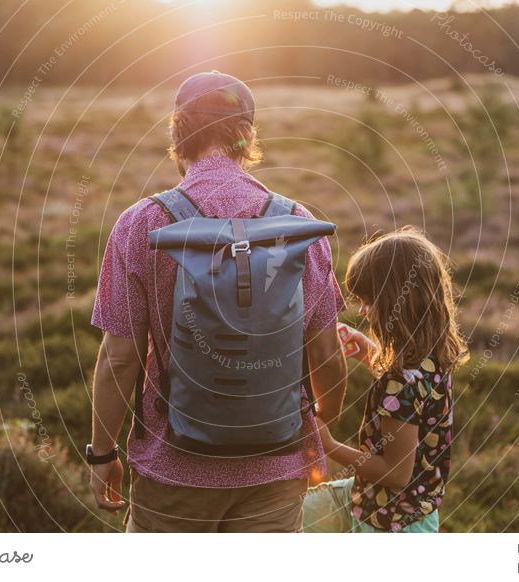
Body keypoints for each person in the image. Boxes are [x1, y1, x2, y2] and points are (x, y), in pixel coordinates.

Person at [86, 70, 348, 532]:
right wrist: (313, 425)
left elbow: (119, 359)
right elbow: (326, 354)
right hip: (276, 471)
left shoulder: (142, 224)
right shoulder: (299, 224)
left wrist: (102, 453)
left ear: (178, 134)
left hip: (173, 473)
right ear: (248, 137)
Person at [302, 227, 469, 533]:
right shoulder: (432, 358)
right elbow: (410, 394)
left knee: (285, 521)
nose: (362, 311)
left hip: (388, 522)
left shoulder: (399, 383)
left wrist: (328, 444)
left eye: (368, 301)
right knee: (300, 512)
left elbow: (394, 474)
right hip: (405, 507)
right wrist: (369, 351)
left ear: (397, 303)